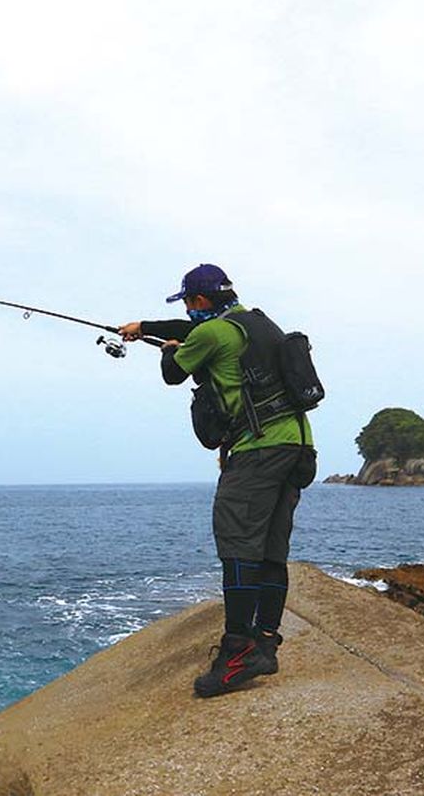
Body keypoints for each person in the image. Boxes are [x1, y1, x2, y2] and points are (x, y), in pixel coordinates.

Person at [118, 263, 317, 698]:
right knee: (269, 550)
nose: (188, 313)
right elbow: (195, 333)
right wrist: (145, 327)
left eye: (189, 304)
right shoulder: (257, 323)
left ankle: (237, 652)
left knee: (238, 547)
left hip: (256, 450)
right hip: (296, 447)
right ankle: (265, 642)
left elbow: (174, 370)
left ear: (200, 302)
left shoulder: (210, 333)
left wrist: (168, 349)